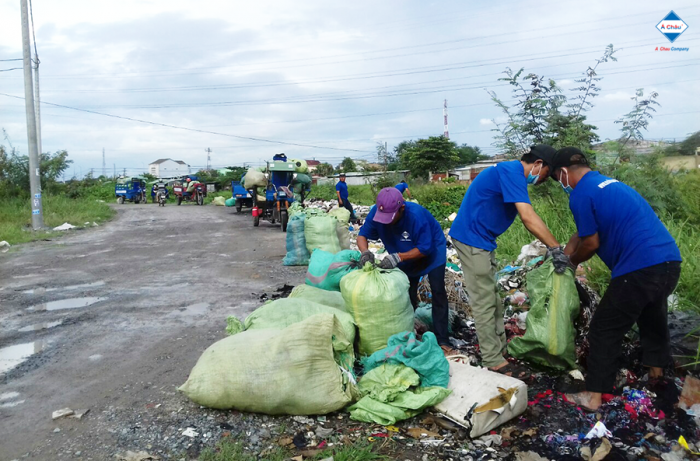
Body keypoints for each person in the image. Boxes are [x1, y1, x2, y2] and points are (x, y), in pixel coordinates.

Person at [548, 147, 682, 412]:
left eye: (556, 178)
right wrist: (564, 253)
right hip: (669, 262)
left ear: (563, 172)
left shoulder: (580, 194)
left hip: (639, 268)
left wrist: (572, 263)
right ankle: (657, 377)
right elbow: (582, 233)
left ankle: (593, 395)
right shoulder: (609, 184)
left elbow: (591, 242)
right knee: (652, 318)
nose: (560, 183)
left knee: (603, 329)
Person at [449, 144, 562, 377]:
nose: (544, 180)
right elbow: (528, 217)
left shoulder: (510, 173)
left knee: (494, 300)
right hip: (472, 240)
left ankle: (499, 349)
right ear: (538, 164)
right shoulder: (511, 172)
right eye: (546, 174)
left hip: (482, 240)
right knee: (484, 301)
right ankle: (492, 359)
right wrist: (556, 247)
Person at [357, 187, 456, 356]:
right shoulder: (377, 213)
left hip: (431, 253)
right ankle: (409, 332)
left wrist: (399, 257)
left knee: (438, 290)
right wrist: (365, 252)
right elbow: (362, 236)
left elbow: (425, 248)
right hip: (402, 252)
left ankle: (443, 340)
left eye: (390, 217)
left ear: (401, 208)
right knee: (407, 293)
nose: (386, 222)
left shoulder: (416, 216)